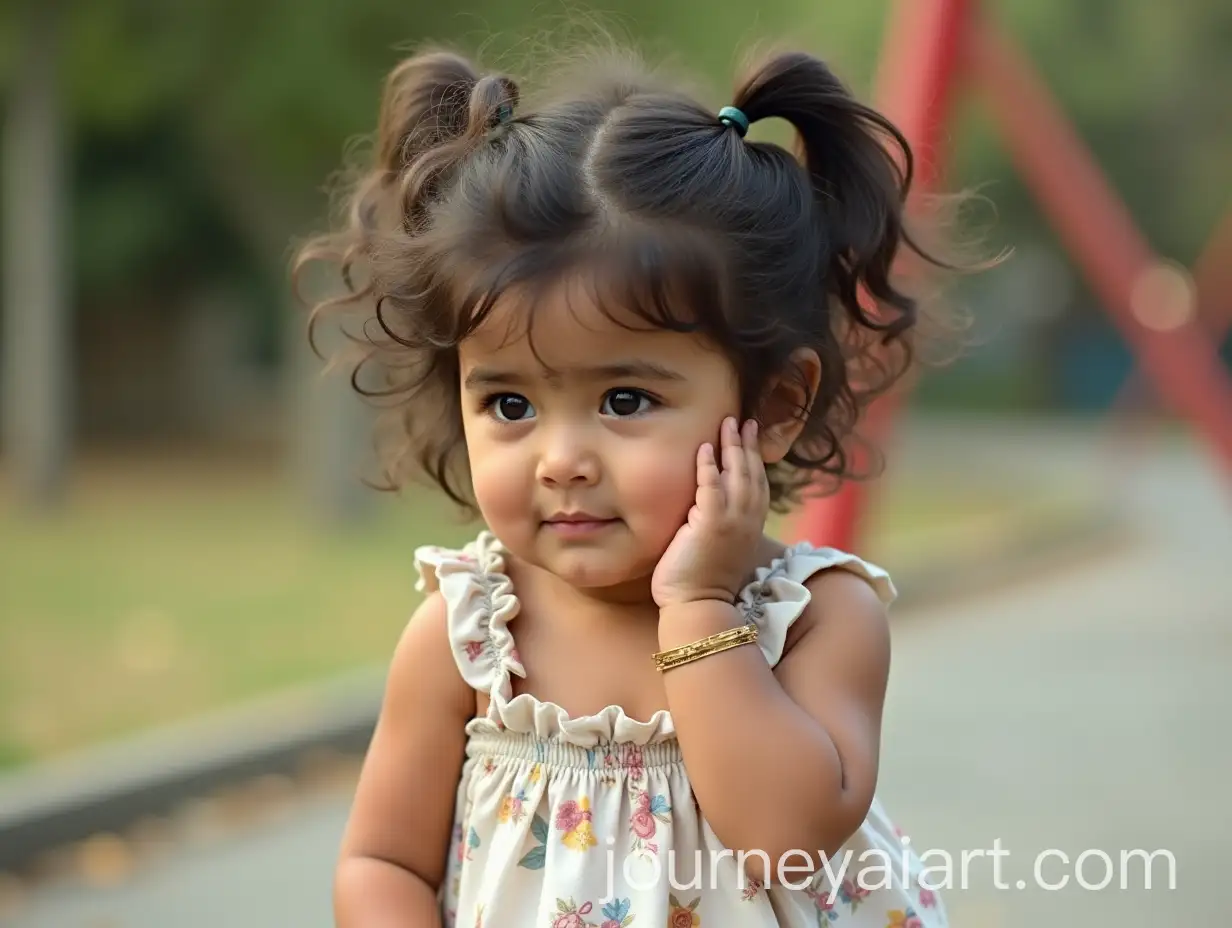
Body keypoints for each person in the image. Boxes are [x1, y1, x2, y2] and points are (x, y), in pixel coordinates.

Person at [294, 36, 962, 928]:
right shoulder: (470, 638)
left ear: (775, 404)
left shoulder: (816, 621)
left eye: (623, 397)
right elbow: (381, 863)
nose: (560, 457)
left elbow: (784, 839)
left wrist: (698, 606)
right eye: (509, 404)